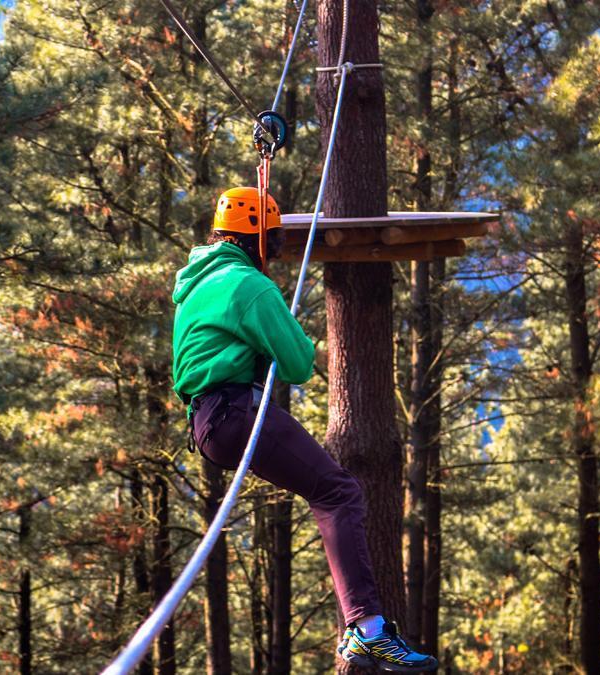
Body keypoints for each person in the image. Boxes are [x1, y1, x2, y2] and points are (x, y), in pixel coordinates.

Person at [171, 187, 438, 672]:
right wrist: (278, 324)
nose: (276, 248)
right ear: (257, 239)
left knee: (331, 490)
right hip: (234, 413)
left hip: (208, 420)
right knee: (338, 492)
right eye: (273, 240)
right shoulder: (248, 285)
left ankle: (364, 629)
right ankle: (367, 630)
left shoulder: (195, 284)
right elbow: (296, 364)